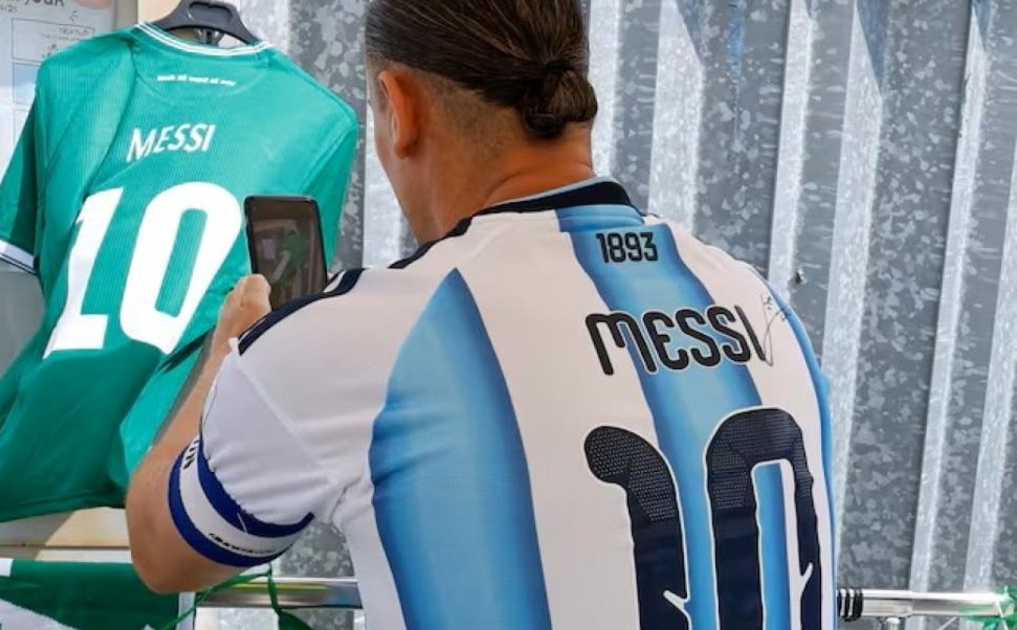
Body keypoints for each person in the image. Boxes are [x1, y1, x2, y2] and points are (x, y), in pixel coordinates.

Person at [125, 0, 838, 627]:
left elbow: (163, 552)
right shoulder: (757, 301)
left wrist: (229, 351)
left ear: (400, 107)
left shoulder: (351, 337)